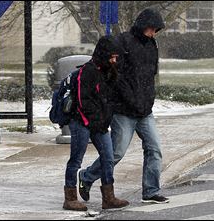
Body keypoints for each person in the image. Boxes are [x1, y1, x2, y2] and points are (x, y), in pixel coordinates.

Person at [78, 8, 169, 204]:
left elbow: (150, 76)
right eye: (152, 29)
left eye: (156, 30)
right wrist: (129, 99)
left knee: (154, 149)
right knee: (116, 153)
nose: (154, 33)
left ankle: (151, 191)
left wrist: (148, 99)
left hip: (145, 111)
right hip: (124, 110)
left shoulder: (152, 45)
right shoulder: (123, 42)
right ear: (143, 25)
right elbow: (115, 76)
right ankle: (86, 177)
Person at [63, 36, 129, 211]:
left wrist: (103, 121)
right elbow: (83, 101)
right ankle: (70, 198)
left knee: (108, 158)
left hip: (99, 124)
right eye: (112, 57)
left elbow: (109, 99)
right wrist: (93, 121)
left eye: (116, 57)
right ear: (104, 54)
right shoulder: (87, 72)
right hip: (82, 123)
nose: (115, 60)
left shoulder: (109, 72)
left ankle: (108, 197)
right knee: (76, 159)